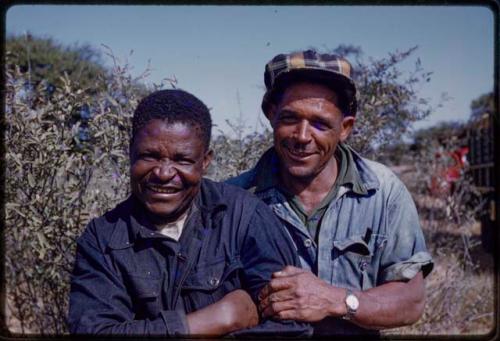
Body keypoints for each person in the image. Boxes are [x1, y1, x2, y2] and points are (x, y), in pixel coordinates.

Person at [68, 89, 310, 336]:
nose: (163, 173)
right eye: (149, 156)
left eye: (182, 160)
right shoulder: (103, 239)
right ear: (130, 152)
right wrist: (215, 320)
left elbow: (289, 326)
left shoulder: (245, 217)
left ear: (205, 161)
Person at [227, 50, 434, 336]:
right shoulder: (233, 199)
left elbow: (411, 302)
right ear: (271, 114)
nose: (302, 136)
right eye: (289, 118)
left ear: (345, 128)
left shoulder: (383, 191)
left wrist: (337, 300)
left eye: (320, 124)